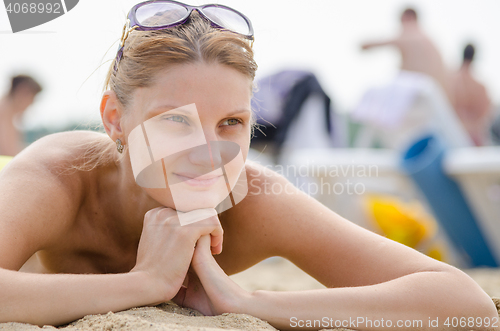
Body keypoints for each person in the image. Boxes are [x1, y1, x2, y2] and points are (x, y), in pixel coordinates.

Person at [0, 1, 496, 330]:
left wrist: (248, 302)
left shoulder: (253, 197)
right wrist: (141, 284)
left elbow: (465, 307)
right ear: (114, 117)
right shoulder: (60, 175)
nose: (209, 152)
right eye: (176, 121)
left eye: (231, 122)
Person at [361, 8, 453, 102]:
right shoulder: (426, 37)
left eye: (401, 21)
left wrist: (364, 45)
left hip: (423, 94)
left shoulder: (411, 31)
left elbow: (376, 43)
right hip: (438, 96)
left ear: (409, 18)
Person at [450, 44, 492, 146]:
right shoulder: (479, 87)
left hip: (455, 132)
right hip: (474, 135)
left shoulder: (450, 82)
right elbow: (486, 113)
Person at [0, 75, 42, 156]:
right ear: (23, 90)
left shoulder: (5, 113)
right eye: (32, 98)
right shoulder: (4, 114)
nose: (31, 104)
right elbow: (8, 152)